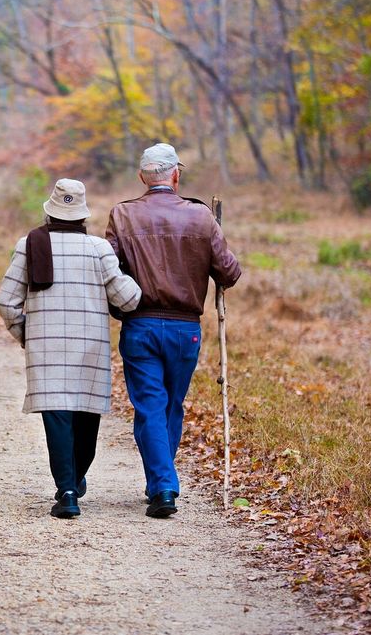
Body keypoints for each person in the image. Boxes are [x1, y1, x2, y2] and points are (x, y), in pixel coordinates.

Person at [105, 143, 242, 519]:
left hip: (140, 324)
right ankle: (162, 484)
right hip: (185, 330)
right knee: (169, 405)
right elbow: (230, 273)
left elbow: (107, 268)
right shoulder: (200, 217)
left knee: (150, 405)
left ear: (142, 177)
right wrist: (213, 236)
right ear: (176, 175)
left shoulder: (123, 215)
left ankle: (161, 484)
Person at [0, 178, 141, 519]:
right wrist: (134, 278)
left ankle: (67, 490)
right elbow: (128, 299)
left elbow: (6, 301)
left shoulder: (29, 245)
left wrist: (26, 335)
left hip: (45, 350)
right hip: (89, 348)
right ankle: (74, 481)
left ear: (49, 213)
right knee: (85, 418)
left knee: (57, 417)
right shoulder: (99, 249)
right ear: (83, 217)